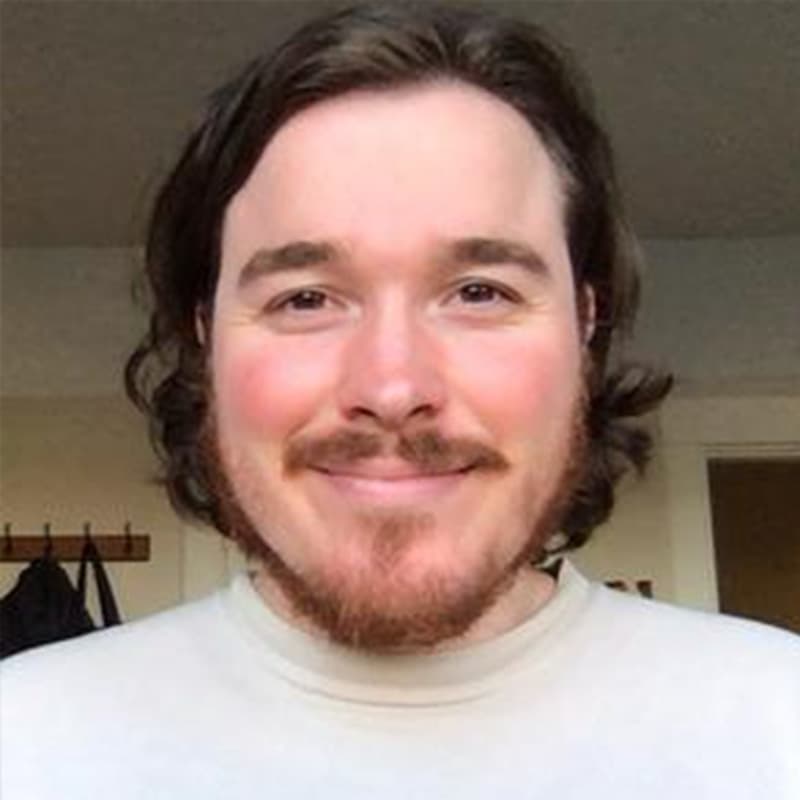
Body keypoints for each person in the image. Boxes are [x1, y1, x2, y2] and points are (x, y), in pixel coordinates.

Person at [2, 3, 799, 797]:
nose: (391, 389)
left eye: (480, 291)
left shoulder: (777, 723)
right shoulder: (24, 741)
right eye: (306, 298)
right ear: (206, 337)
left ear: (586, 324)